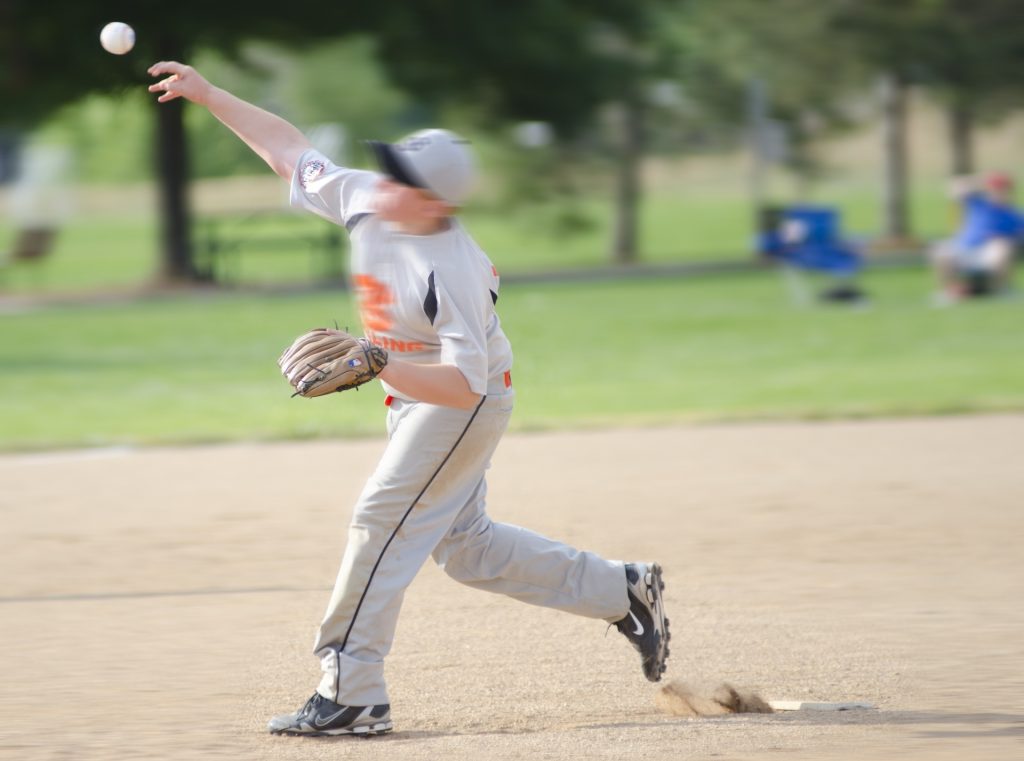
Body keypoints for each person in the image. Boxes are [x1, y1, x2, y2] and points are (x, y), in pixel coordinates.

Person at [147, 61, 670, 737]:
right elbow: (288, 153)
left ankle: (352, 690)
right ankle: (620, 588)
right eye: (391, 168)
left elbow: (466, 383)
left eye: (405, 179)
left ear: (436, 203)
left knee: (378, 515)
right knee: (467, 548)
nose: (388, 182)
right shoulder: (363, 196)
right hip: (413, 392)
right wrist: (208, 94)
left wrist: (377, 363)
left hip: (462, 402)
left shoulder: (447, 266)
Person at [930, 172, 1024, 304]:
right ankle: (947, 292)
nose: (999, 194)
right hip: (963, 250)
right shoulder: (977, 204)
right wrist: (982, 181)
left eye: (1003, 190)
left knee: (1001, 246)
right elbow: (953, 189)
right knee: (941, 250)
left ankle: (1001, 290)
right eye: (995, 190)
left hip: (989, 253)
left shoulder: (1015, 215)